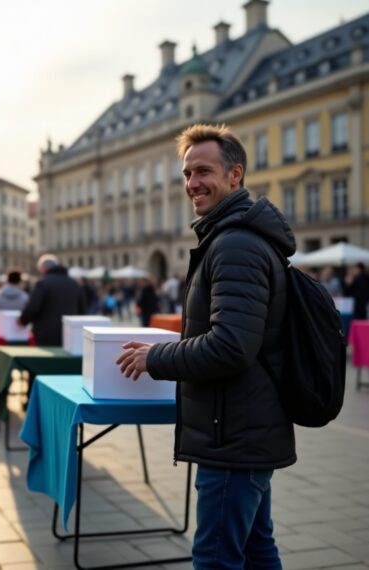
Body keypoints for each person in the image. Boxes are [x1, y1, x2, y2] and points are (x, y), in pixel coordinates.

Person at [116, 124, 294, 567]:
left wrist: (156, 357)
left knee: (215, 558)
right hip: (241, 430)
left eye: (204, 171)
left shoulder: (234, 243)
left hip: (232, 435)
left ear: (235, 176)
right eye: (186, 173)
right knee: (256, 548)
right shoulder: (229, 236)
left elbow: (231, 345)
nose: (193, 183)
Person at [19, 254, 85, 346]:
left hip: (45, 334)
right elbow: (82, 310)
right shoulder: (74, 284)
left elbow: (32, 308)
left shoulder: (43, 284)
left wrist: (23, 321)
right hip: (70, 334)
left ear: (44, 268)